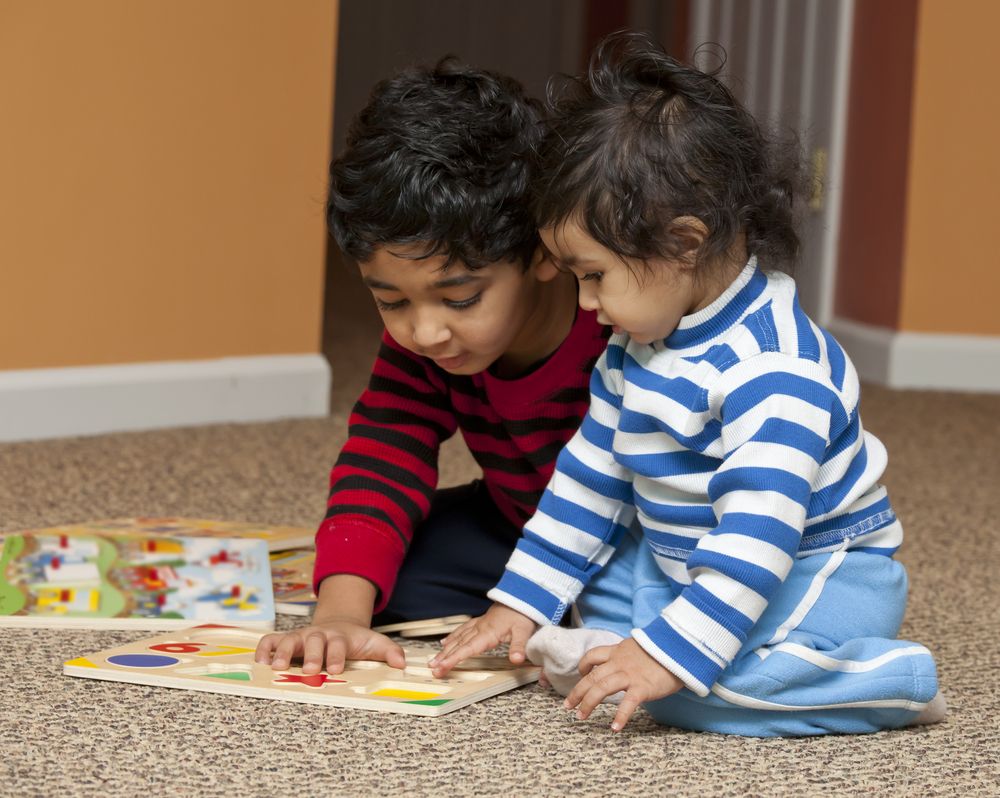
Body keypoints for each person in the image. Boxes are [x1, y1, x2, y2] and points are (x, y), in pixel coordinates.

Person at [430, 32, 943, 737]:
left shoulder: (776, 369)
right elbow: (588, 484)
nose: (584, 304)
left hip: (810, 571)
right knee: (604, 641)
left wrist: (664, 657)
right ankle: (642, 657)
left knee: (682, 685)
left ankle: (884, 684)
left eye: (594, 275)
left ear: (683, 242)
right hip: (681, 559)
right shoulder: (633, 343)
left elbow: (758, 538)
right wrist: (520, 602)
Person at [254, 58, 609, 676]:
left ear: (545, 252)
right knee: (375, 579)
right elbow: (384, 451)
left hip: (640, 541)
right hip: (517, 524)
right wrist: (339, 616)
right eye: (391, 301)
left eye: (461, 298)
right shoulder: (427, 347)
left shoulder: (619, 324)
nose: (426, 330)